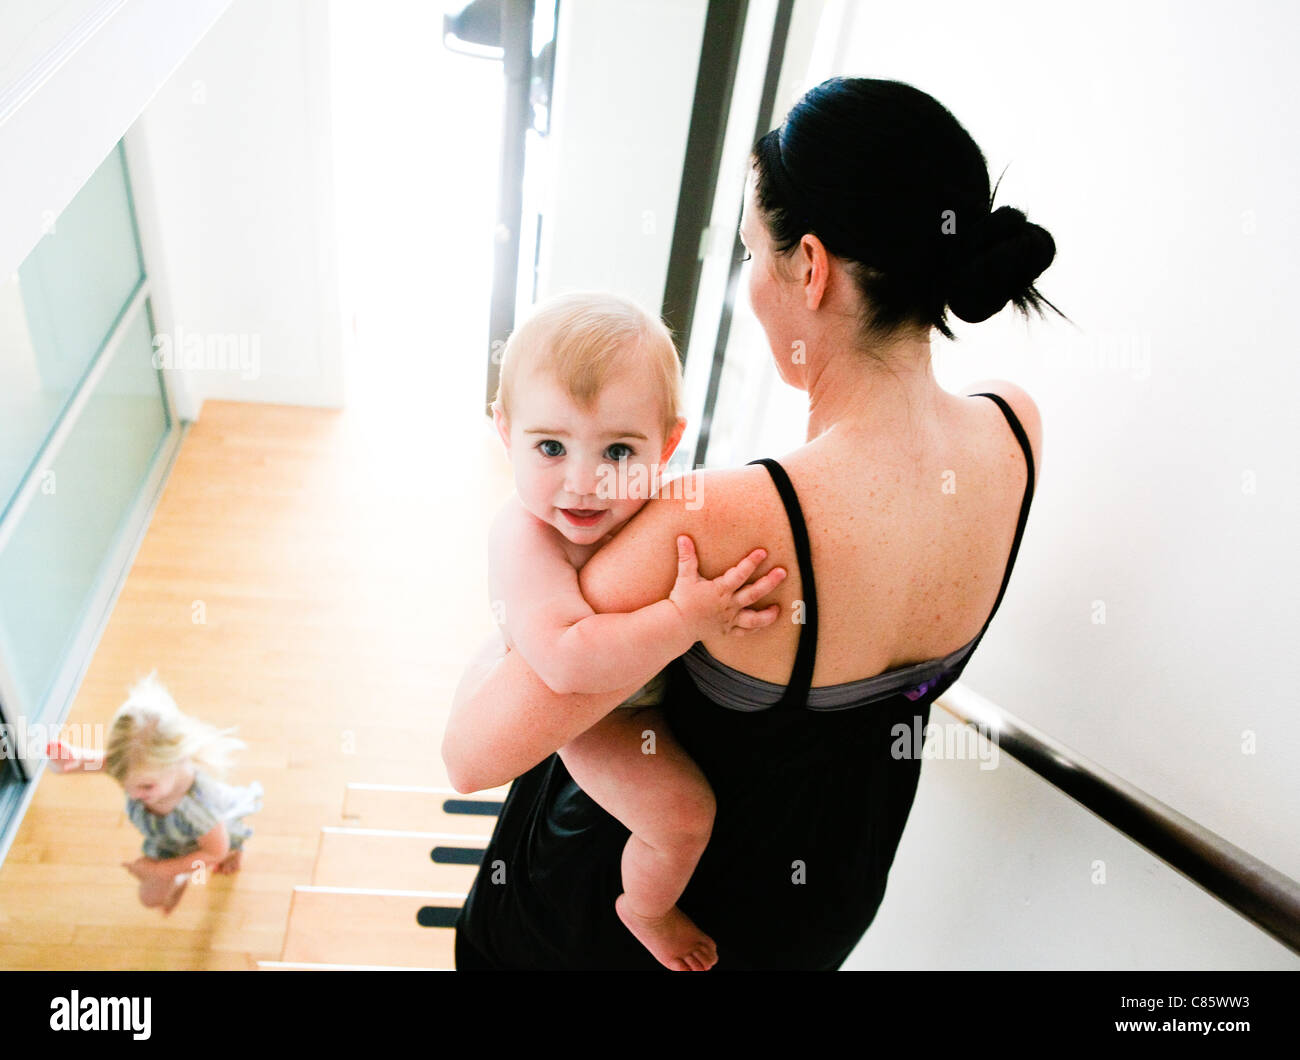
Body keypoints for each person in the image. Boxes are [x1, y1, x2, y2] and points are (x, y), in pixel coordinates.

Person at [443, 76, 1065, 969]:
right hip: (815, 911)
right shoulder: (1015, 427)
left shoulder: (730, 516)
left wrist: (500, 637)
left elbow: (472, 755)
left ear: (809, 268)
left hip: (606, 929)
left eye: (750, 254)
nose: (750, 285)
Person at [470, 290, 787, 970]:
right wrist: (687, 617)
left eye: (618, 449)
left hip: (643, 691)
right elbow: (565, 663)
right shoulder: (524, 535)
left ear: (669, 443)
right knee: (681, 817)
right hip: (593, 716)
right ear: (505, 430)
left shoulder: (667, 501)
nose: (584, 483)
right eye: (550, 446)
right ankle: (643, 908)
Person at [47, 672, 263, 915]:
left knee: (164, 889)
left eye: (144, 787)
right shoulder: (140, 769)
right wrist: (73, 760)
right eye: (124, 782)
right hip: (171, 841)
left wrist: (161, 871)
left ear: (178, 761)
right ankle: (180, 877)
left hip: (207, 845)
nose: (133, 794)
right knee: (152, 898)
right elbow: (102, 764)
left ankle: (235, 854)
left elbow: (215, 851)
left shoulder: (198, 809)